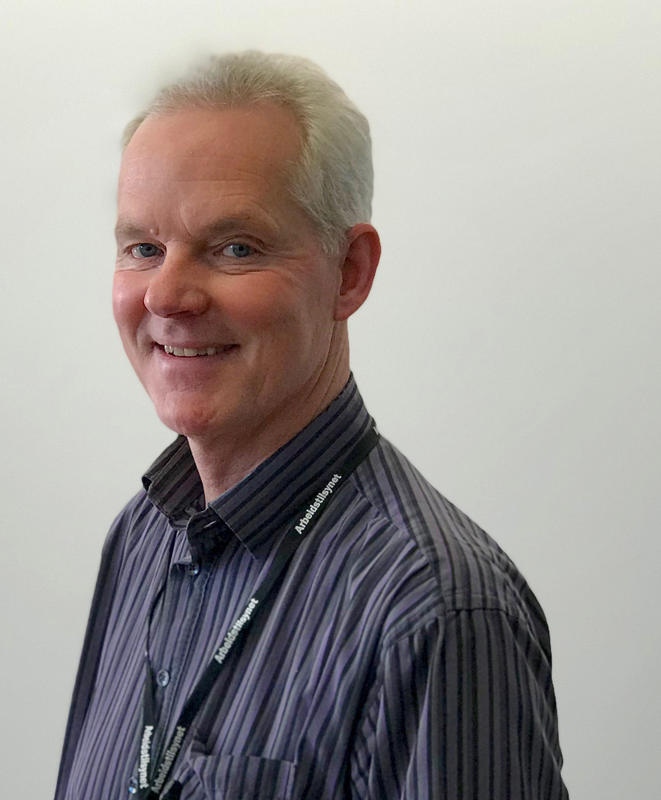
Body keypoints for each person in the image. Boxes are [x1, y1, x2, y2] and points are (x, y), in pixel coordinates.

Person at [55, 52, 567, 800]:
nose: (166, 295)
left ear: (350, 272)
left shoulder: (436, 611)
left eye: (235, 248)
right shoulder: (142, 538)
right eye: (144, 248)